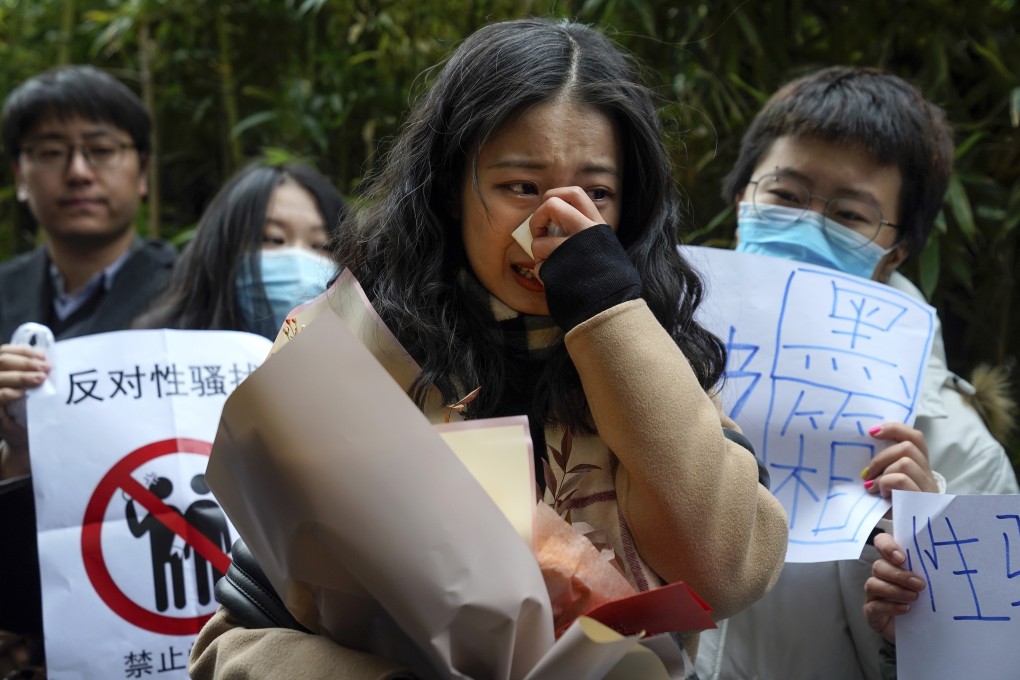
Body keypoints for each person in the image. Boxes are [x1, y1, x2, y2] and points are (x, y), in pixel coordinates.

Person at [189, 17, 789, 680]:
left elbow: (726, 572)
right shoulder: (354, 357)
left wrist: (609, 312)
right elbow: (234, 640)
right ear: (452, 188)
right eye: (521, 188)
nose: (553, 225)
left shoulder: (659, 364)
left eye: (596, 194)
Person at [695, 66, 1019, 680]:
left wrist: (930, 573)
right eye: (785, 197)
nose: (806, 225)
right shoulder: (638, 360)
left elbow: (990, 666)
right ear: (741, 195)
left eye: (848, 215)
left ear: (894, 251)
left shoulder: (962, 457)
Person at [0, 64, 174, 673]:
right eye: (50, 153)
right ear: (20, 176)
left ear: (143, 172)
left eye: (101, 151)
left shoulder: (191, 298)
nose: (78, 172)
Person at [134, 160, 346, 339]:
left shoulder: (367, 368)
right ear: (219, 250)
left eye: (322, 245)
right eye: (273, 238)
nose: (299, 262)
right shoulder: (156, 354)